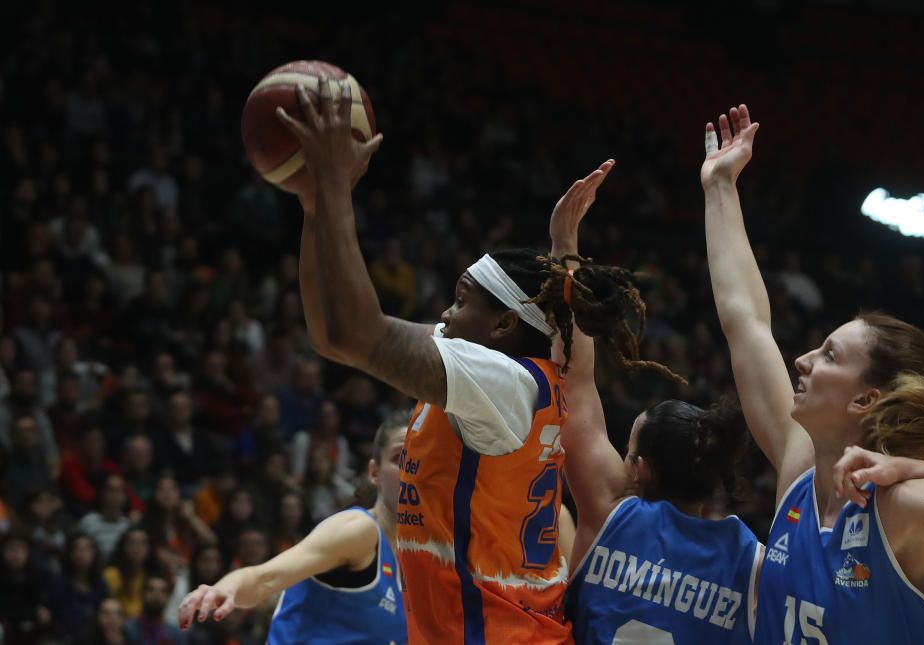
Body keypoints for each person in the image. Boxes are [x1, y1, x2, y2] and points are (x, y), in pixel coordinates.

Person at [275, 76, 669, 642]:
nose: (446, 313)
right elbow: (334, 337)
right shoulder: (529, 378)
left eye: (462, 300)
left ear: (506, 325)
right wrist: (314, 204)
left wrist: (334, 185)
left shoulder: (500, 382)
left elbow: (353, 333)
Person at [701, 103, 924, 643]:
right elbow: (745, 321)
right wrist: (721, 187)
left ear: (866, 400)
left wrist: (914, 470)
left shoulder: (907, 503)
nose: (802, 360)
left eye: (830, 355)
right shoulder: (799, 474)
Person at [547, 167, 761, 644]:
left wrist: (565, 246)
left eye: (626, 452)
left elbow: (575, 380)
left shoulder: (610, 512)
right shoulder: (754, 564)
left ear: (640, 470)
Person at [178, 413, 409, 645]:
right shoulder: (359, 531)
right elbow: (264, 578)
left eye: (421, 459)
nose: (412, 469)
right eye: (399, 458)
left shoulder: (419, 565)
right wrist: (225, 589)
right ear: (374, 472)